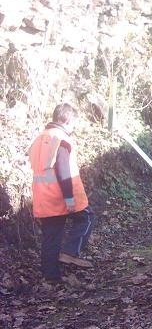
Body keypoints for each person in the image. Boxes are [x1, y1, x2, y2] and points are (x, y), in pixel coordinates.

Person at [28, 103, 95, 284]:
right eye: (74, 123)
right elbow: (63, 169)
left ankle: (51, 278)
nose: (74, 127)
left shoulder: (39, 139)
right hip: (59, 195)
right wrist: (69, 198)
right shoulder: (60, 139)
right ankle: (70, 252)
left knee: (51, 237)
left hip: (42, 196)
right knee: (87, 217)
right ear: (67, 120)